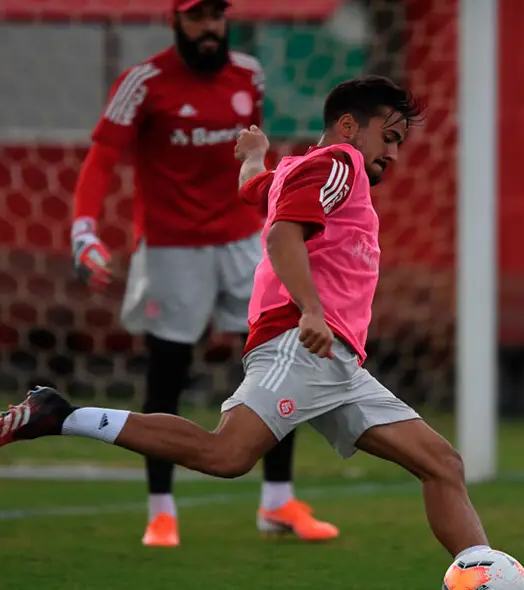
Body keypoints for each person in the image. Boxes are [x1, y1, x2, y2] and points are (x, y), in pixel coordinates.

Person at [0, 75, 495, 561]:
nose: (394, 154)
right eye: (388, 137)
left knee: (442, 464)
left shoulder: (300, 172)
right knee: (226, 455)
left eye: (399, 142)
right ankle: (62, 415)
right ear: (347, 127)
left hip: (339, 366)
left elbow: (257, 189)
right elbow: (280, 236)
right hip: (300, 344)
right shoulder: (342, 164)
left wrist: (253, 157)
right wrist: (312, 312)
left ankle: (481, 577)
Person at [67, 0, 336, 547]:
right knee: (168, 371)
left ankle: (278, 503)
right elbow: (101, 157)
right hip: (171, 251)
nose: (210, 28)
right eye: (198, 18)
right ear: (177, 22)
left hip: (241, 243)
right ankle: (161, 511)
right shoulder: (143, 82)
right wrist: (84, 229)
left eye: (217, 16)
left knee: (281, 362)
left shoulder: (248, 75)